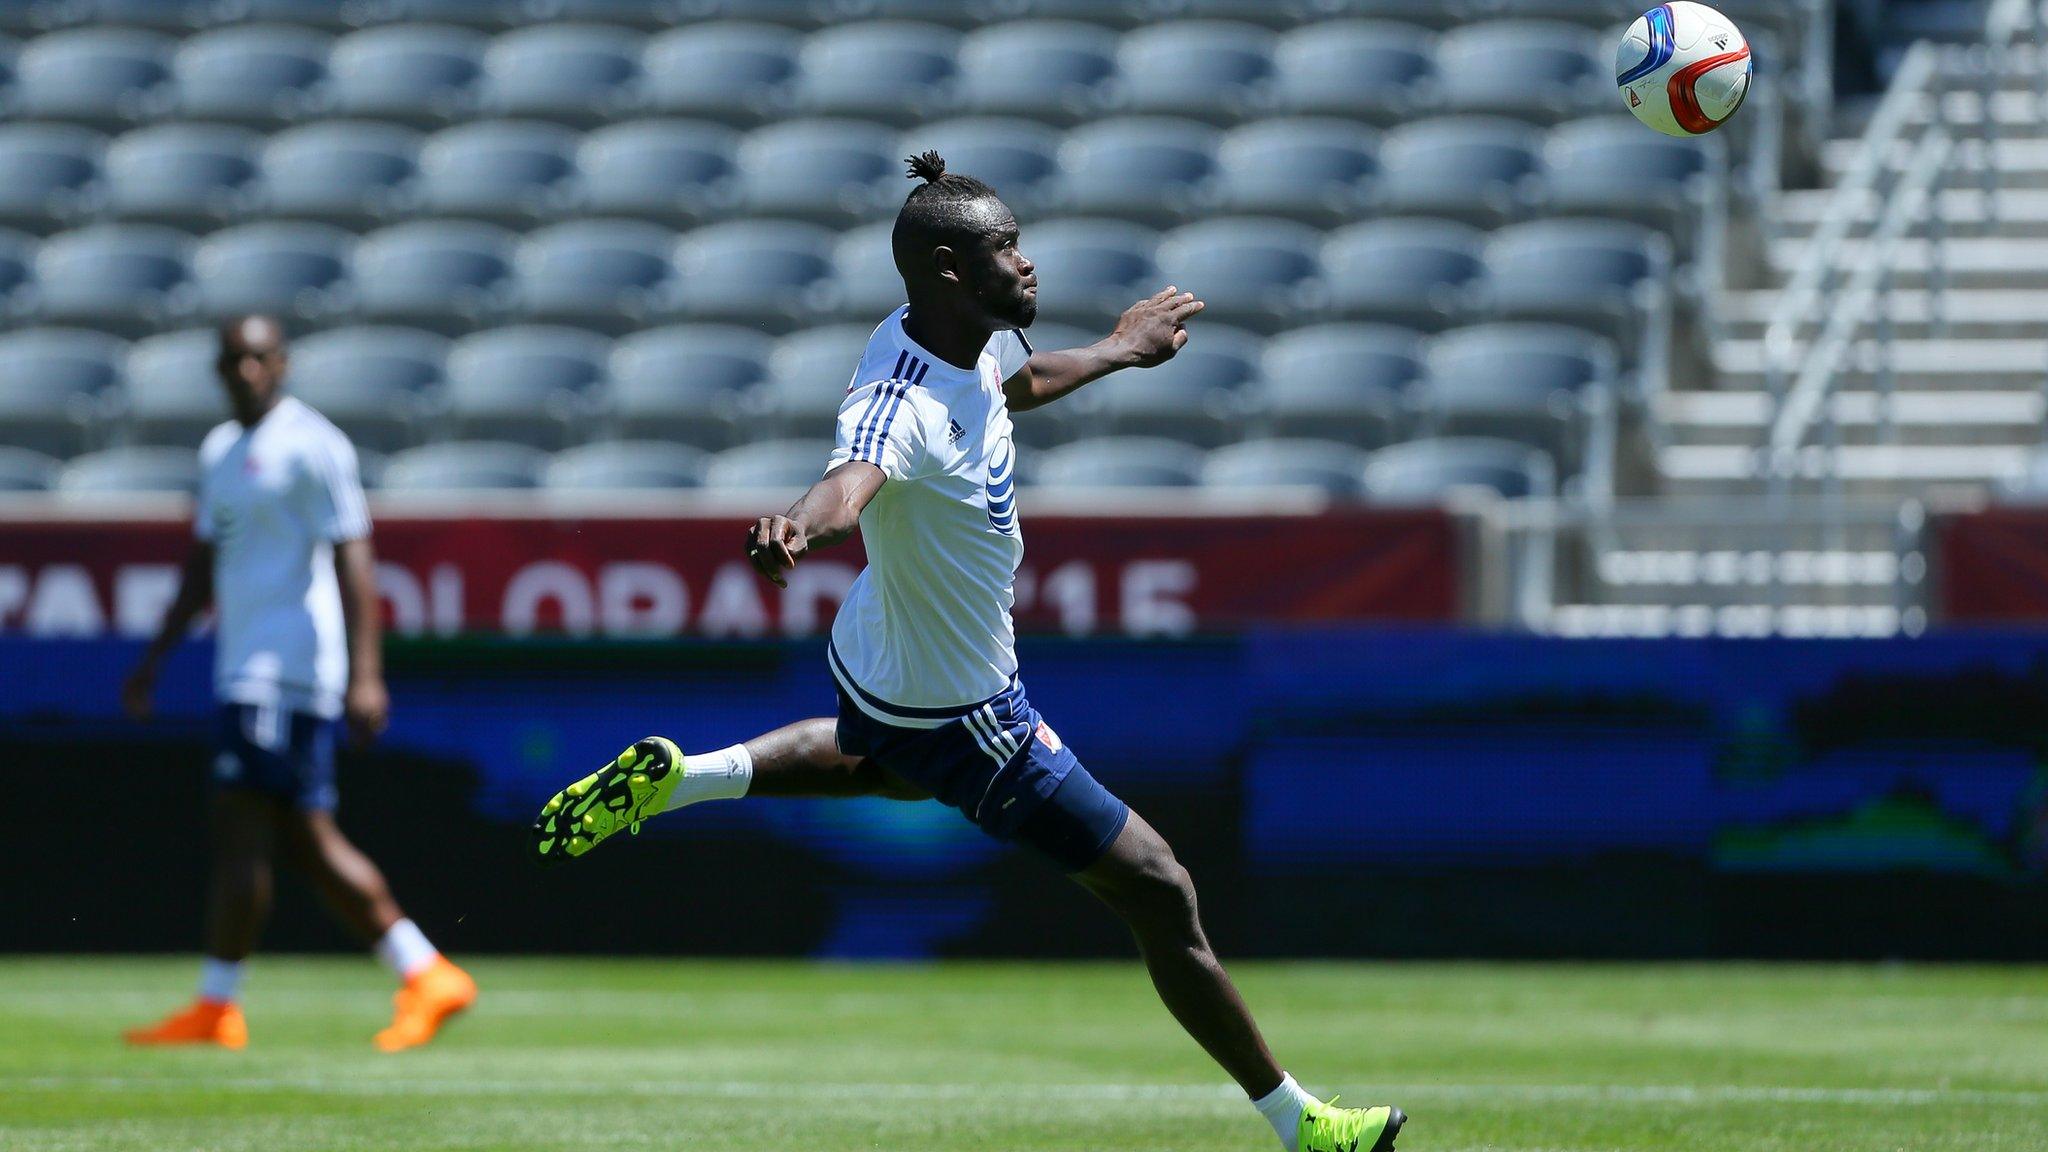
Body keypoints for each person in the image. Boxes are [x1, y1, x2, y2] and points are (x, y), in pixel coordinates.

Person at [531, 154, 1405, 1152]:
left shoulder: (957, 334)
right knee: (1159, 886)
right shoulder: (895, 398)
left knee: (889, 767)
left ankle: (686, 778)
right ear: (949, 268)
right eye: (1005, 249)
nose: (1026, 265)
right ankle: (1304, 1127)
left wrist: (1119, 349)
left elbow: (1016, 384)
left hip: (883, 655)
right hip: (964, 704)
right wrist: (794, 528)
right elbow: (850, 481)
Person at [123, 315, 476, 1053]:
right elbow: (202, 567)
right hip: (243, 668)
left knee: (248, 829)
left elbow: (354, 556)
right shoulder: (222, 450)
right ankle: (421, 972)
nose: (245, 370)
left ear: (281, 364)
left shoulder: (313, 444)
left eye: (258, 358)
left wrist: (367, 674)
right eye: (232, 360)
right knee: (299, 837)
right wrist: (155, 657)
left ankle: (223, 1005)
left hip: (285, 672)